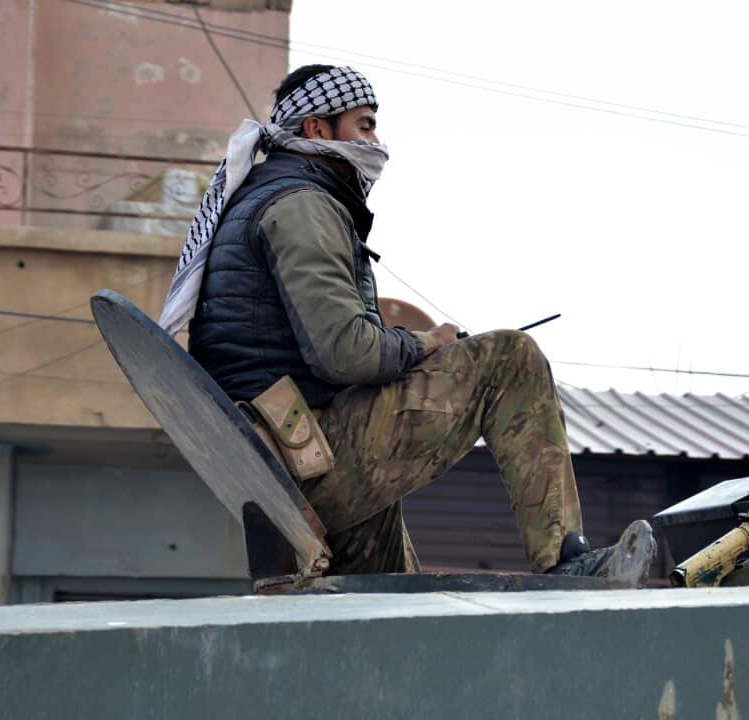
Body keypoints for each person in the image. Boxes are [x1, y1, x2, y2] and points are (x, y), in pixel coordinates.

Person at [159, 64, 655, 585]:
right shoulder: (302, 205)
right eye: (364, 125)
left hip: (296, 465)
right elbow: (345, 352)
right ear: (316, 130)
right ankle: (564, 561)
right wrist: (427, 343)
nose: (376, 141)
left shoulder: (267, 197)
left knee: (396, 606)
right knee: (511, 358)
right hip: (315, 457)